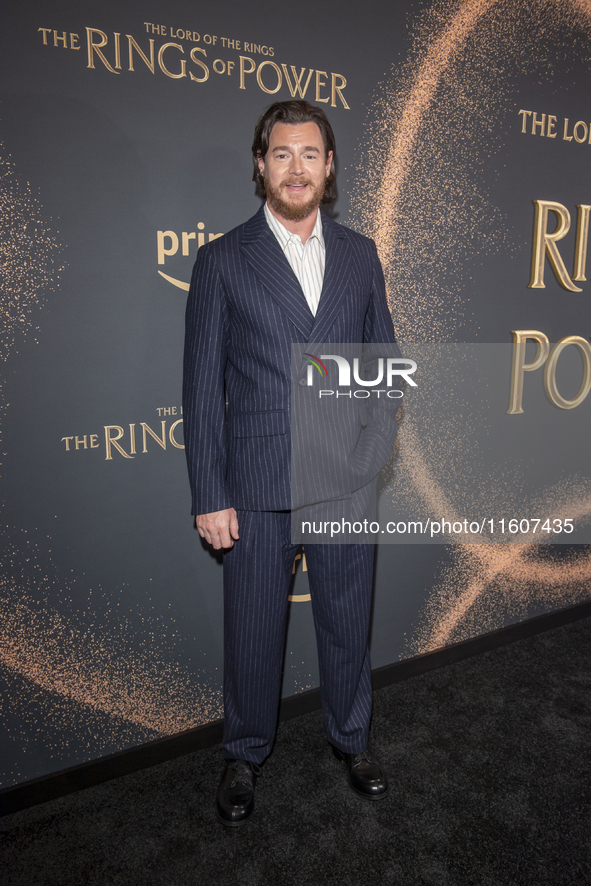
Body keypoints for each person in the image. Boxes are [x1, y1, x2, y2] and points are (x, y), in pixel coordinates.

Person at [183, 100, 399, 826]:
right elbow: (202, 388)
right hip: (255, 484)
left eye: (310, 153)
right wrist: (210, 493)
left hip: (343, 481)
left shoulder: (361, 254)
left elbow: (383, 367)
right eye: (281, 153)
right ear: (260, 164)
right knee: (252, 627)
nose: (296, 167)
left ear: (329, 165)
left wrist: (367, 462)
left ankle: (353, 740)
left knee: (346, 619)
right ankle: (242, 753)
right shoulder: (221, 259)